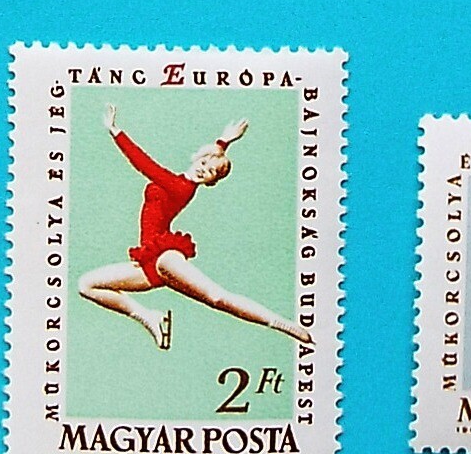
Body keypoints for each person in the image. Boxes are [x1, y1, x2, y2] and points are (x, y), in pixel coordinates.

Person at [77, 106, 312, 352]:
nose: (203, 170)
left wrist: (116, 132)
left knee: (216, 297)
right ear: (198, 157)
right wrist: (223, 142)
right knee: (87, 285)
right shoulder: (181, 180)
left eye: (210, 172)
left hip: (164, 256)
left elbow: (145, 165)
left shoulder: (180, 187)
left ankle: (281, 324)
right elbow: (210, 157)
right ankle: (149, 317)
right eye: (203, 163)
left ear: (211, 181)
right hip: (149, 261)